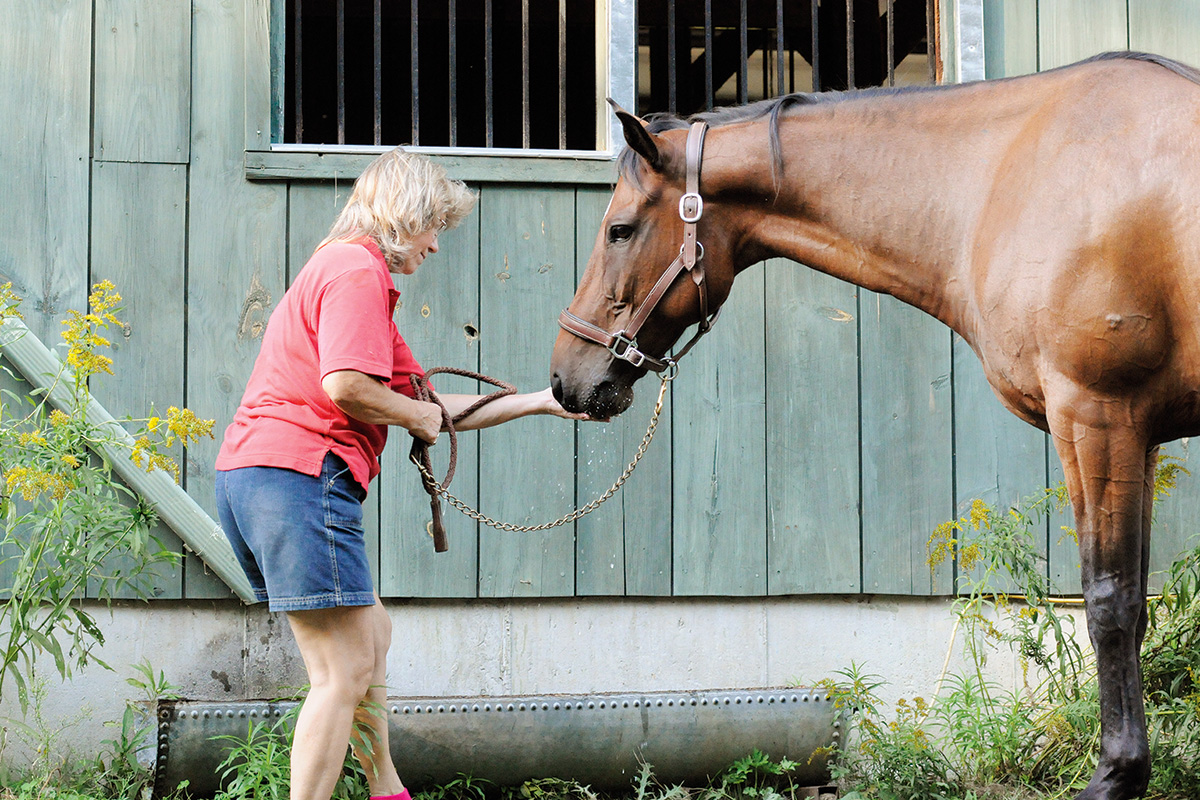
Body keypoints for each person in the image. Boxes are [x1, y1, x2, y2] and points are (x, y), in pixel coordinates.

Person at [213, 147, 587, 800]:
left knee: (370, 636)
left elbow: (431, 409)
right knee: (341, 669)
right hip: (298, 474)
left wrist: (539, 402)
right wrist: (412, 417)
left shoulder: (358, 285)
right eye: (433, 225)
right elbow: (346, 386)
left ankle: (386, 787)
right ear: (403, 214)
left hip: (264, 475)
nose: (437, 245)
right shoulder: (354, 269)